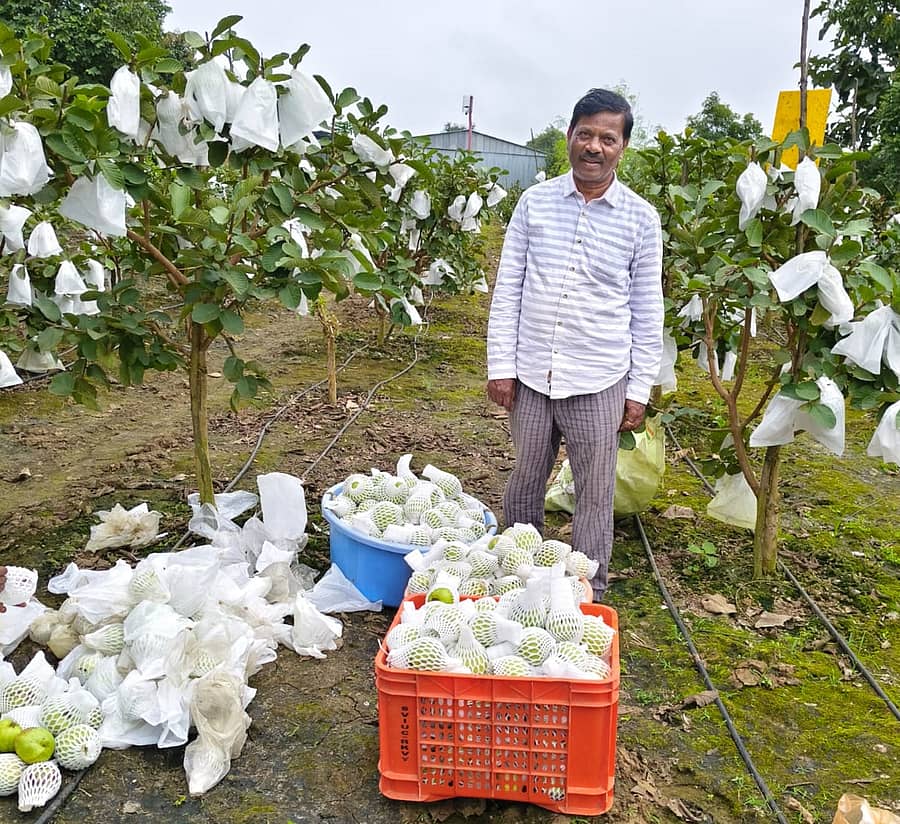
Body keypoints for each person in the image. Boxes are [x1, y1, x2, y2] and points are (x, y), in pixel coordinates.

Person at [486, 88, 664, 601]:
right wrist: (501, 365)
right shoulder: (534, 203)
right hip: (532, 371)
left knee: (593, 490)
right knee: (526, 477)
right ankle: (519, 579)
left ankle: (587, 591)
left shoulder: (639, 218)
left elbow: (646, 309)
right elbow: (508, 289)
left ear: (622, 148)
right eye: (584, 134)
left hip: (599, 376)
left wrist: (639, 389)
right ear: (569, 136)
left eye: (607, 138)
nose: (594, 146)